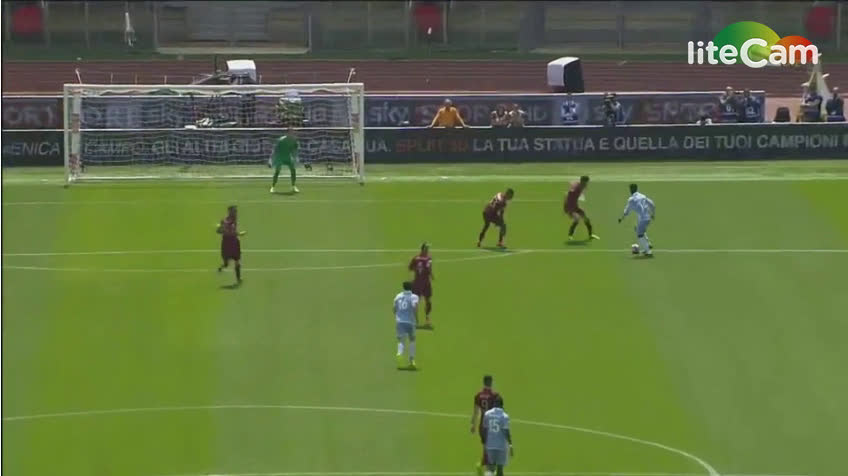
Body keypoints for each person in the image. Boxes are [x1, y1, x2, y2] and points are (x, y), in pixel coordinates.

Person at [471, 375, 501, 476]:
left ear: (483, 382)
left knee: (486, 448)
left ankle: (482, 465)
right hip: (492, 426)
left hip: (482, 426)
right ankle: (489, 470)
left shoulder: (478, 395)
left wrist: (473, 425)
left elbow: (475, 412)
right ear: (491, 382)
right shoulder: (495, 395)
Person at [618, 183, 656, 257]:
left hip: (643, 219)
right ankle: (647, 244)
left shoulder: (631, 199)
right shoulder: (643, 196)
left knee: (640, 234)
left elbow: (627, 210)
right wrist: (653, 214)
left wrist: (621, 218)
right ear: (637, 189)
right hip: (647, 217)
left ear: (630, 190)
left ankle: (648, 251)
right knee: (637, 228)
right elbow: (652, 204)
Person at [482, 395, 513, 476]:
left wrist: (484, 443)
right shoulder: (504, 416)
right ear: (502, 405)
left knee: (490, 469)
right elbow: (506, 431)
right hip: (501, 446)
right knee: (500, 469)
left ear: (494, 404)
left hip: (490, 445)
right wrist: (510, 443)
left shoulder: (487, 414)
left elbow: (484, 429)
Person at [393, 281, 420, 370]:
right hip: (410, 322)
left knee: (401, 340)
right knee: (412, 340)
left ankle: (399, 353)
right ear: (411, 287)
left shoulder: (398, 296)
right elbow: (415, 308)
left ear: (403, 287)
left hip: (400, 321)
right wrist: (417, 319)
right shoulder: (414, 297)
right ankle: (412, 360)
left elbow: (394, 309)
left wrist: (398, 315)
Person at [564, 176, 600, 242]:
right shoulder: (577, 188)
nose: (587, 183)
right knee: (577, 219)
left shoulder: (581, 186)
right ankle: (570, 236)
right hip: (570, 207)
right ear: (583, 181)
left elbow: (573, 184)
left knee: (586, 219)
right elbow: (569, 193)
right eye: (587, 182)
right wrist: (566, 207)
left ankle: (591, 235)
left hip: (575, 206)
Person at [217, 205, 246, 283]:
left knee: (237, 260)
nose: (236, 213)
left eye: (236, 211)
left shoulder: (234, 219)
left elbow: (232, 231)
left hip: (234, 242)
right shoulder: (225, 221)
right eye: (234, 211)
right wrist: (239, 233)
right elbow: (219, 231)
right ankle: (222, 267)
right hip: (227, 242)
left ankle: (238, 279)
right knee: (226, 264)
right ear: (230, 212)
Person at [408, 242, 434, 329]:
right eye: (427, 249)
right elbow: (429, 269)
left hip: (417, 283)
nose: (428, 250)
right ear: (423, 249)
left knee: (417, 302)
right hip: (425, 283)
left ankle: (418, 321)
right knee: (426, 301)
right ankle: (426, 320)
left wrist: (417, 270)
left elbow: (410, 268)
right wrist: (431, 275)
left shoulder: (415, 258)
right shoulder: (428, 259)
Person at [269, 125, 299, 194]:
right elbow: (275, 150)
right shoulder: (281, 140)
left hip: (288, 157)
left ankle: (293, 186)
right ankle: (273, 187)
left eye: (293, 131)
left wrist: (295, 158)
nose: (292, 133)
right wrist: (271, 159)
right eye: (291, 131)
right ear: (287, 132)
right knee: (277, 171)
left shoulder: (294, 140)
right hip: (280, 157)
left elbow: (294, 149)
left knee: (293, 170)